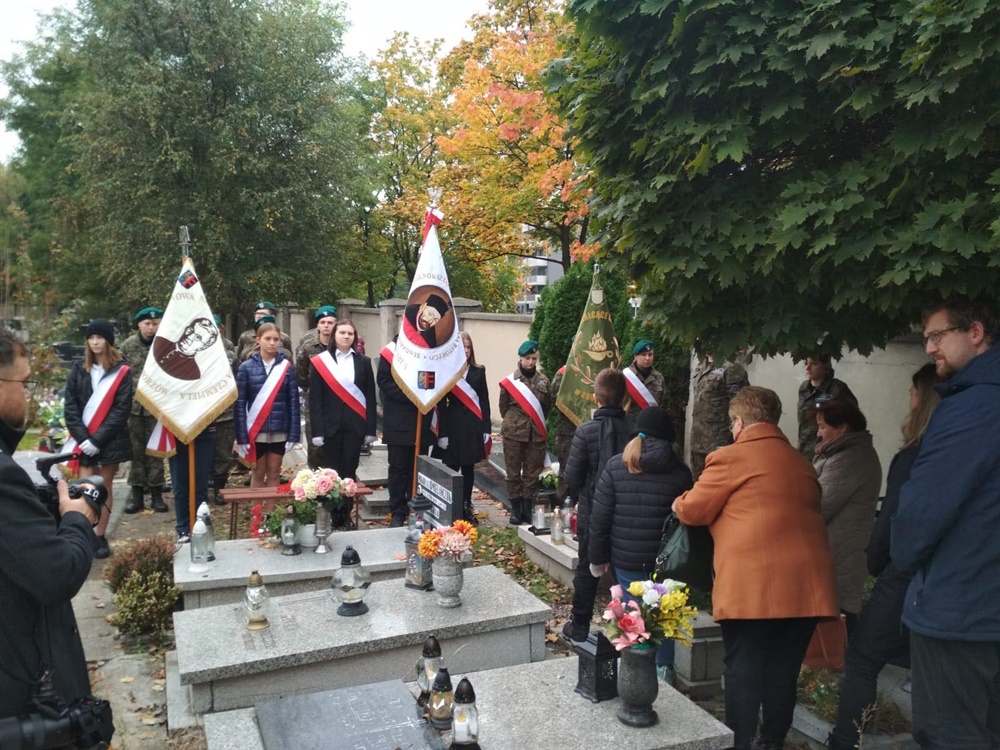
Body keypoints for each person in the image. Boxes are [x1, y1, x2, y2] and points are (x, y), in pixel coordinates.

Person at [673, 386, 838, 750]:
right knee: (782, 672)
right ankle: (772, 742)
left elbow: (693, 510)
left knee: (743, 671)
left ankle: (740, 742)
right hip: (806, 588)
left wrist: (677, 502)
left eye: (732, 424)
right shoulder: (801, 462)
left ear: (739, 422)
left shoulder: (730, 457)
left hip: (754, 587)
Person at [891, 297, 1000, 750]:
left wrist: (901, 554)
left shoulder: (973, 406)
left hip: (962, 609)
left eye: (938, 336)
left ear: (975, 332)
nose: (929, 348)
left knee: (951, 736)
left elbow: (923, 511)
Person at [828, 364, 939, 750]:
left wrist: (876, 564)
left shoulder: (914, 457)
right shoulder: (964, 450)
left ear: (924, 399)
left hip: (904, 574)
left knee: (862, 660)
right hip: (946, 580)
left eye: (913, 391)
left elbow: (892, 523)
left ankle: (845, 740)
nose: (909, 398)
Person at [0, 328, 101, 718]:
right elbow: (58, 573)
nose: (26, 397)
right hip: (21, 695)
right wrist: (76, 518)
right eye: (23, 384)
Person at [588, 404, 692, 683]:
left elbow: (599, 519)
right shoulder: (680, 473)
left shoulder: (615, 466)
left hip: (626, 561)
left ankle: (635, 676)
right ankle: (663, 673)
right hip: (666, 563)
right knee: (664, 617)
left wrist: (597, 559)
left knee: (633, 616)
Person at [560, 368, 631, 643]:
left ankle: (579, 625)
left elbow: (571, 477)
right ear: (624, 398)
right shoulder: (634, 429)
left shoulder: (586, 431)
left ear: (595, 398)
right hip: (626, 510)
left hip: (593, 510)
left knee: (587, 567)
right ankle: (629, 629)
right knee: (624, 570)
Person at [64, 319, 133, 558]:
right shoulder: (78, 368)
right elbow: (70, 407)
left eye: (99, 337)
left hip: (110, 439)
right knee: (85, 487)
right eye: (91, 338)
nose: (94, 342)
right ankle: (84, 535)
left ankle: (100, 535)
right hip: (83, 440)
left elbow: (121, 410)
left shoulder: (121, 371)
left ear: (108, 341)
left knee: (104, 487)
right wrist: (84, 439)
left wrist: (97, 440)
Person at [813, 399, 882, 634]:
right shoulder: (839, 453)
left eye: (823, 427)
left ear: (842, 427)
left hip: (840, 552)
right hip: (837, 550)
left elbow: (818, 504)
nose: (818, 433)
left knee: (838, 621)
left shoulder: (850, 458)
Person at [309, 319, 376, 527]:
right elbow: (316, 399)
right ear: (334, 336)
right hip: (330, 427)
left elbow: (370, 397)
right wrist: (317, 431)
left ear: (354, 337)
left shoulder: (364, 362)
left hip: (355, 426)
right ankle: (332, 515)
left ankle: (345, 516)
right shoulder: (321, 362)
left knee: (349, 470)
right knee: (332, 472)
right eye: (342, 333)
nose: (346, 336)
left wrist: (370, 429)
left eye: (350, 333)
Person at [234, 321, 300, 488]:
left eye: (275, 339)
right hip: (256, 430)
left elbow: (293, 402)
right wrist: (241, 436)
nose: (272, 343)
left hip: (280, 429)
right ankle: (256, 506)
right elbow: (240, 404)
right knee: (257, 472)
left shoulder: (287, 367)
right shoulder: (246, 367)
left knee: (274, 472)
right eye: (267, 339)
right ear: (258, 340)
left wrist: (294, 434)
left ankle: (271, 507)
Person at [378, 336, 435, 526]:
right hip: (398, 420)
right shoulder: (391, 352)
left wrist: (423, 393)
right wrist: (411, 394)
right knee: (397, 468)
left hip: (422, 420)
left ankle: (416, 509)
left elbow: (434, 379)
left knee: (417, 469)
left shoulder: (429, 351)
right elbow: (384, 381)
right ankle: (397, 511)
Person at [437, 332, 491, 525]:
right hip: (453, 427)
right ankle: (451, 507)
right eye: (462, 347)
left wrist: (486, 428)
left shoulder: (478, 371)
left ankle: (466, 506)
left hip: (472, 427)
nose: (466, 351)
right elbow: (441, 404)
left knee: (468, 469)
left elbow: (484, 400)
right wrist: (442, 433)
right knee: (452, 468)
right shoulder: (447, 371)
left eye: (468, 347)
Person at [119, 306, 168, 513]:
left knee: (156, 452)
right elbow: (119, 377)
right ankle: (137, 495)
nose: (151, 327)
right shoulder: (127, 346)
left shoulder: (165, 345)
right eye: (147, 323)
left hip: (157, 408)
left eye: (155, 323)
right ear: (139, 324)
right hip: (134, 408)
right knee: (136, 453)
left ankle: (157, 495)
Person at [499, 340, 550, 525]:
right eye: (527, 358)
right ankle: (515, 508)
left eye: (534, 358)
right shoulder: (511, 381)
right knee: (513, 472)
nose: (531, 362)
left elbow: (546, 407)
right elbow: (503, 408)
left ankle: (527, 507)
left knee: (532, 473)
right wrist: (516, 422)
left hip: (535, 433)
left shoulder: (544, 381)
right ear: (521, 358)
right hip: (514, 432)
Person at [689, 353, 749, 479]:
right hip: (698, 440)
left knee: (720, 481)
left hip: (720, 441)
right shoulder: (701, 365)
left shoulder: (732, 368)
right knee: (698, 482)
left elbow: (741, 405)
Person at [296, 305, 337, 469]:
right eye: (323, 322)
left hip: (338, 401)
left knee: (335, 444)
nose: (326, 326)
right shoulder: (308, 347)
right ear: (317, 325)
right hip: (315, 402)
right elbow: (301, 374)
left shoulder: (341, 346)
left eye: (330, 322)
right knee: (315, 445)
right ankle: (316, 478)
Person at [797, 355, 857, 458]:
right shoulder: (804, 388)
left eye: (814, 364)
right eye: (806, 363)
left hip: (828, 451)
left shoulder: (837, 389)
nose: (807, 368)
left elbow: (852, 421)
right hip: (805, 450)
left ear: (826, 366)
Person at [209, 314, 237, 505]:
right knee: (203, 454)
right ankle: (201, 489)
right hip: (201, 413)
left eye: (216, 329)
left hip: (225, 412)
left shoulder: (230, 353)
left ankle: (219, 488)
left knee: (223, 453)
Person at [549, 365, 576, 499]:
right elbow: (554, 399)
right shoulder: (564, 372)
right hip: (568, 431)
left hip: (592, 429)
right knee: (566, 471)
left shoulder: (595, 371)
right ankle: (564, 505)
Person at [623, 340, 666, 423]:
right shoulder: (625, 376)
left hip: (651, 423)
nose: (647, 358)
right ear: (635, 356)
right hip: (630, 424)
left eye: (650, 354)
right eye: (643, 355)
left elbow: (662, 403)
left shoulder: (659, 377)